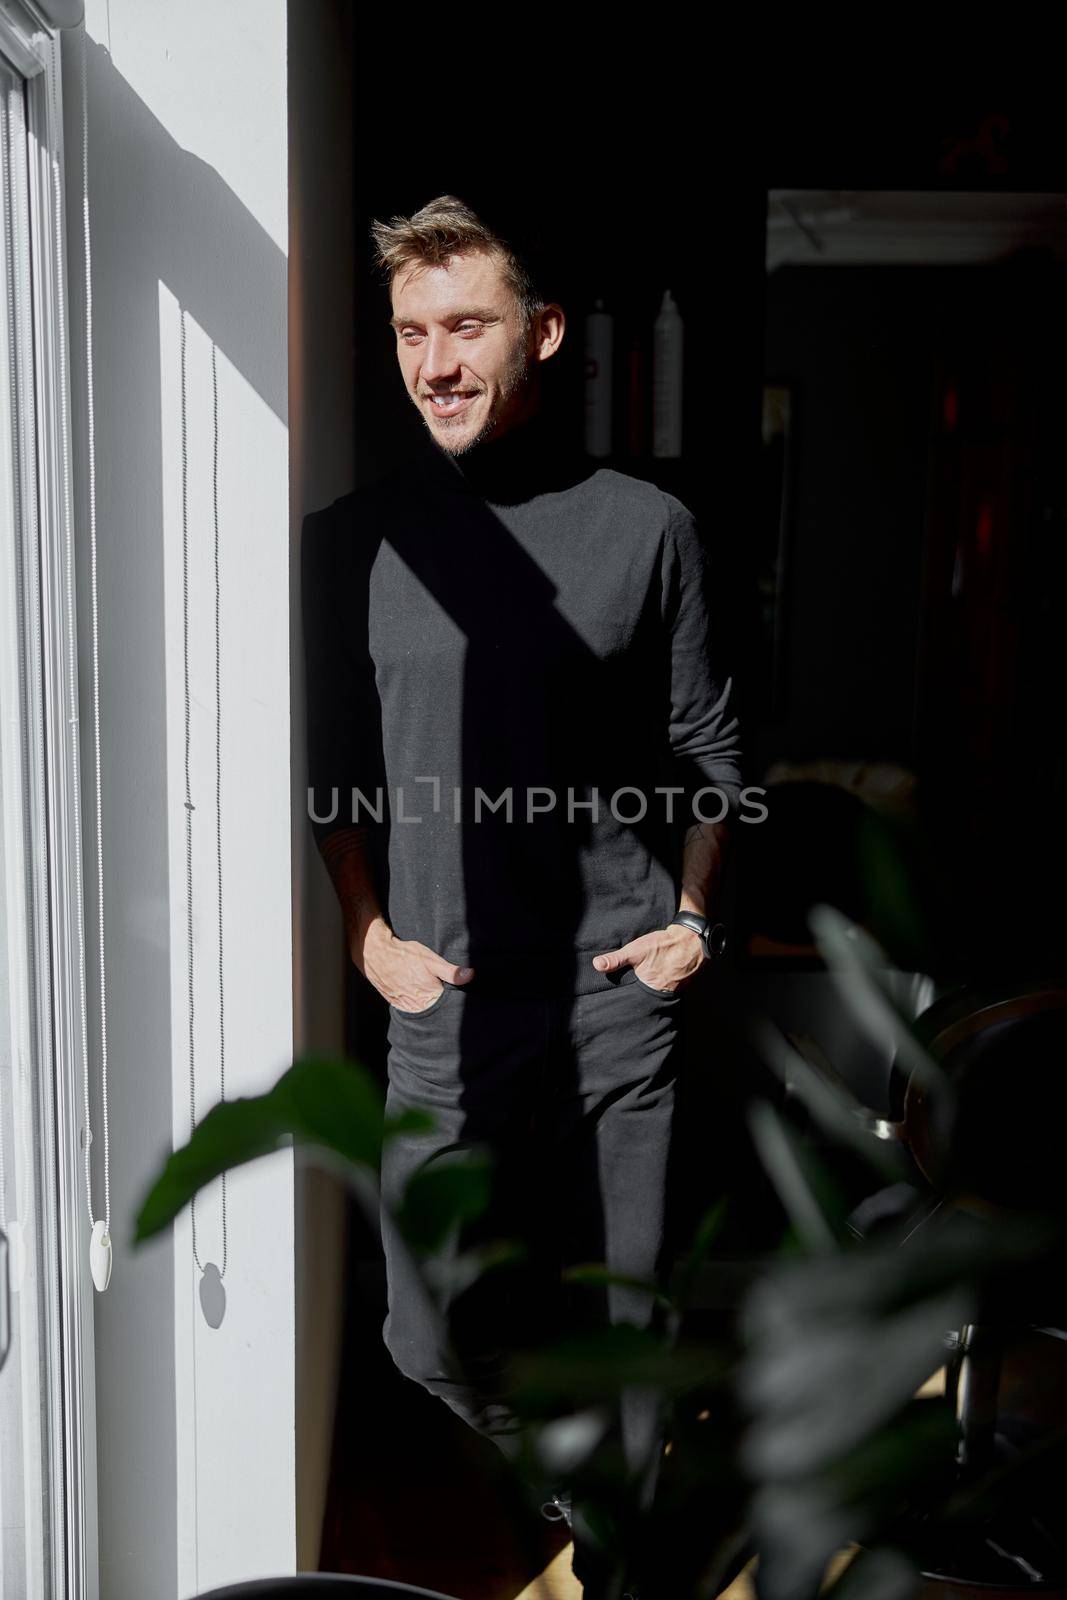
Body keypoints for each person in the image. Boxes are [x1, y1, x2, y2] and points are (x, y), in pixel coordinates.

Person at [301, 194, 743, 1599]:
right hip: (450, 1010)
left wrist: (694, 924)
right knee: (425, 1333)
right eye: (412, 333)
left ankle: (615, 1552)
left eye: (467, 326)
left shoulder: (647, 528)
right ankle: (582, 1502)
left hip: (619, 1010)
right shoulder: (350, 542)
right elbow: (336, 782)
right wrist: (370, 943)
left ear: (539, 335)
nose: (435, 359)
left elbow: (717, 757)